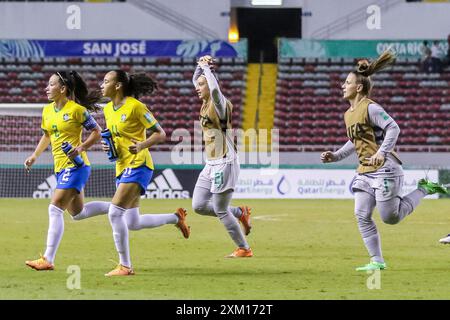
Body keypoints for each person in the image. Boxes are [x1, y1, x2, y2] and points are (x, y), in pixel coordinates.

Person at [320, 50, 449, 271]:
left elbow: (393, 128)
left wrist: (381, 152)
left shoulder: (371, 107)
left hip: (386, 168)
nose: (343, 85)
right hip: (365, 170)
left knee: (390, 217)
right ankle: (377, 261)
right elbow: (355, 141)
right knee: (361, 214)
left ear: (358, 87)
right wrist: (336, 155)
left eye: (347, 82)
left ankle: (424, 189)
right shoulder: (348, 113)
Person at [100, 70, 190, 276]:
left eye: (106, 81)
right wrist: (109, 146)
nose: (101, 85)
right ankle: (175, 218)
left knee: (115, 213)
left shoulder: (136, 107)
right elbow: (115, 137)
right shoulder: (107, 110)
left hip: (139, 165)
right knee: (133, 222)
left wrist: (141, 145)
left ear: (118, 86)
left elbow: (161, 133)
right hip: (122, 166)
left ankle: (125, 266)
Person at [24, 70, 108, 271]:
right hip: (61, 168)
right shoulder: (47, 111)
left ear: (63, 89)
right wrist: (35, 155)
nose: (46, 88)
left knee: (54, 208)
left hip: (77, 166)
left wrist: (81, 148)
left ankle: (47, 259)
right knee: (78, 214)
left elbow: (97, 132)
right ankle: (118, 208)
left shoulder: (77, 110)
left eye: (51, 84)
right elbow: (47, 135)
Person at [191, 55, 253, 258]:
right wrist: (200, 66)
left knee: (220, 209)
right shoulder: (205, 101)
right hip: (211, 163)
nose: (197, 87)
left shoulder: (219, 104)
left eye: (202, 84)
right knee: (199, 205)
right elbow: (196, 80)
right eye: (198, 84)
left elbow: (215, 89)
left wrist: (207, 70)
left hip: (225, 162)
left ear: (211, 84)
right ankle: (240, 213)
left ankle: (244, 248)